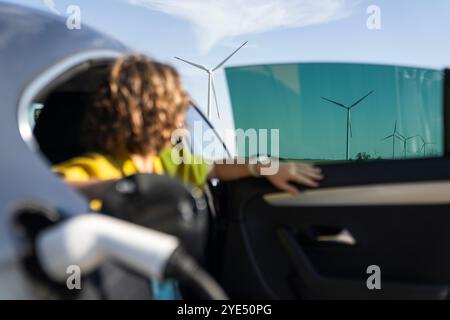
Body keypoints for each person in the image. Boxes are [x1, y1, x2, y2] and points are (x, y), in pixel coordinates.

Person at [53, 55, 323, 204]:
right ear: (154, 115)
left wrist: (263, 166)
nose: (184, 124)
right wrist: (126, 188)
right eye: (177, 114)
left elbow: (216, 168)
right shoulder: (98, 167)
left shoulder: (167, 162)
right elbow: (51, 186)